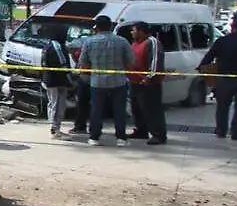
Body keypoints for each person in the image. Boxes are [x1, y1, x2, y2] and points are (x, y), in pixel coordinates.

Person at [78, 15, 135, 146]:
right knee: (119, 110)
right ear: (110, 26)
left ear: (96, 27)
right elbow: (132, 61)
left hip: (97, 81)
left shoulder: (89, 42)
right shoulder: (122, 41)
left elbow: (83, 63)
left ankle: (94, 137)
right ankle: (121, 138)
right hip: (119, 81)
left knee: (96, 110)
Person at [128, 22, 167, 145]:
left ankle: (158, 134)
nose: (132, 33)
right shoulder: (135, 43)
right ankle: (141, 130)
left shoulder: (152, 42)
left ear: (141, 31)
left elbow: (155, 62)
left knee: (152, 109)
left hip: (149, 84)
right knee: (137, 108)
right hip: (135, 82)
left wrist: (149, 77)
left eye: (133, 30)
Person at [40, 29, 71, 139]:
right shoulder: (58, 48)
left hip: (49, 80)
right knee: (58, 105)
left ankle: (54, 128)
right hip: (58, 81)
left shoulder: (47, 46)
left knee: (53, 104)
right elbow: (63, 65)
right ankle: (55, 130)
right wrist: (69, 79)